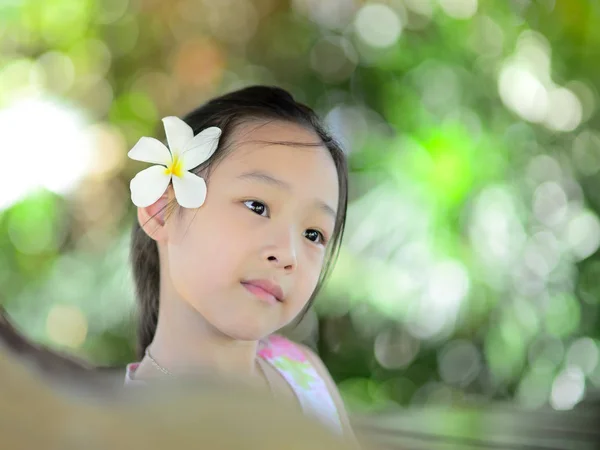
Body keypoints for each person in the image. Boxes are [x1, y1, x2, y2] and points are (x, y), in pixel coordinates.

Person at [124, 85, 354, 438]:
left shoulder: (305, 376)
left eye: (313, 234)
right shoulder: (129, 428)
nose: (288, 255)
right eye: (257, 207)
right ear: (160, 210)